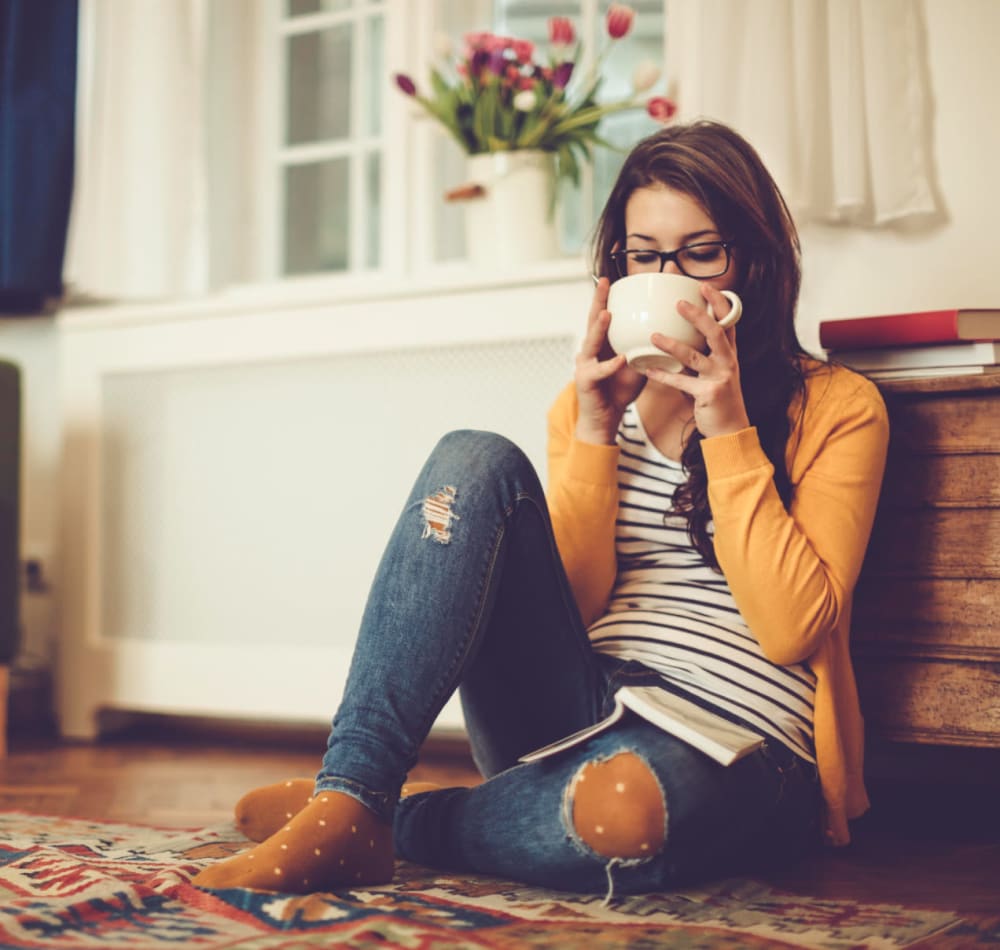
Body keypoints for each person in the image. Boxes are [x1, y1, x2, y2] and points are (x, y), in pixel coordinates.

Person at [192, 119, 889, 899]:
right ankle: (352, 788)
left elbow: (793, 628)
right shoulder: (589, 410)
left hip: (740, 745)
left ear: (751, 263)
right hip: (576, 707)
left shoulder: (838, 406)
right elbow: (577, 601)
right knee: (471, 457)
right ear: (616, 269)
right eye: (645, 255)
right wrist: (595, 431)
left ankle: (391, 820)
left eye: (701, 251)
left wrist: (726, 427)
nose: (673, 276)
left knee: (621, 815)